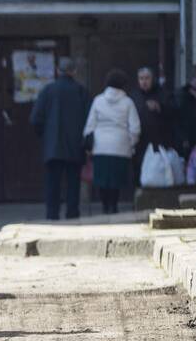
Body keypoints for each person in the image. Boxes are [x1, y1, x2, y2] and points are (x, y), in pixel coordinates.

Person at [29, 57, 90, 220]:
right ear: (74, 71)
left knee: (52, 183)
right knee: (73, 183)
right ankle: (72, 214)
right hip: (75, 145)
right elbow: (89, 120)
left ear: (57, 71)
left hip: (53, 146)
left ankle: (52, 214)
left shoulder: (48, 90)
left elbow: (35, 119)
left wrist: (45, 135)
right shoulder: (81, 91)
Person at [83, 69, 141, 214]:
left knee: (102, 179)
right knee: (116, 180)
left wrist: (89, 144)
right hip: (120, 146)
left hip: (100, 146)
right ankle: (113, 206)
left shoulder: (98, 100)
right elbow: (135, 127)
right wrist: (131, 143)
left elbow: (90, 125)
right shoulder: (128, 102)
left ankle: (104, 206)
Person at [130, 65, 174, 184]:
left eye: (147, 78)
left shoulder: (162, 93)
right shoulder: (134, 95)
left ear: (152, 79)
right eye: (141, 78)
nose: (144, 81)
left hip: (158, 141)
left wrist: (159, 107)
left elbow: (172, 112)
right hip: (139, 141)